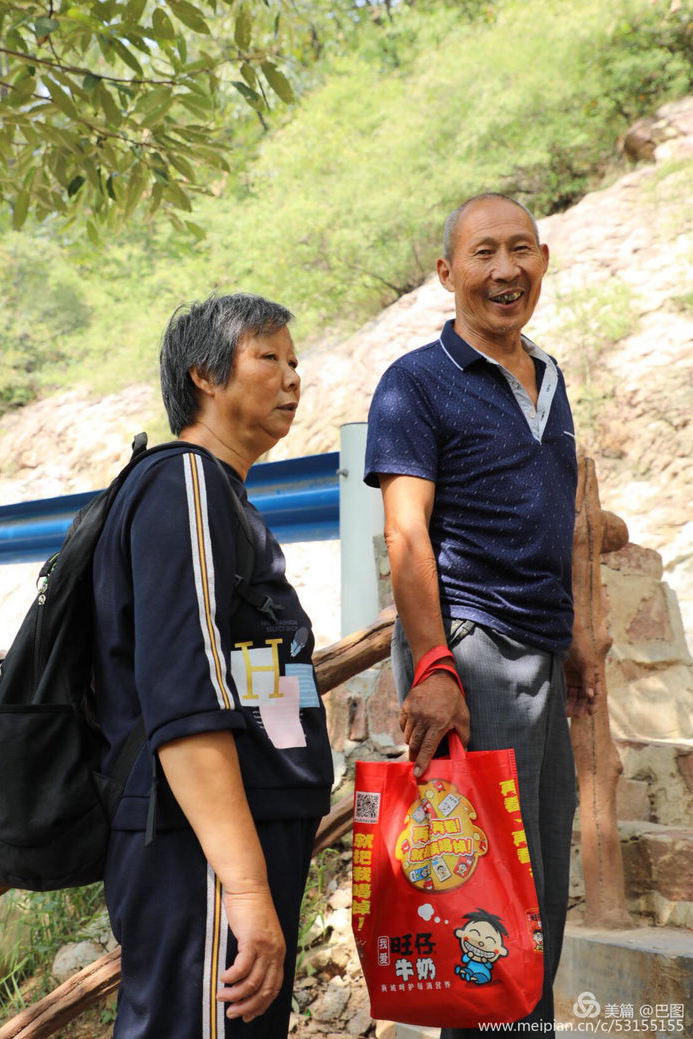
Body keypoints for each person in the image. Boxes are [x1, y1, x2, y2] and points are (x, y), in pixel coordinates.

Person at [364, 193, 601, 1036]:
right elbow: (404, 531)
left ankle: (524, 1028)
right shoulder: (415, 382)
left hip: (535, 649)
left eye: (521, 251)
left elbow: (557, 514)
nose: (506, 271)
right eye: (483, 254)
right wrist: (431, 667)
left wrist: (570, 633)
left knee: (533, 881)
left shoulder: (551, 376)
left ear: (544, 259)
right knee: (481, 894)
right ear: (446, 273)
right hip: (470, 652)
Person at [91, 293, 333, 1039]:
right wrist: (248, 887)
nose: (293, 378)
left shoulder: (225, 499)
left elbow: (254, 681)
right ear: (205, 374)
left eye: (296, 362)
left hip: (234, 844)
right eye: (270, 357)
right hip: (200, 856)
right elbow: (187, 703)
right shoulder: (185, 483)